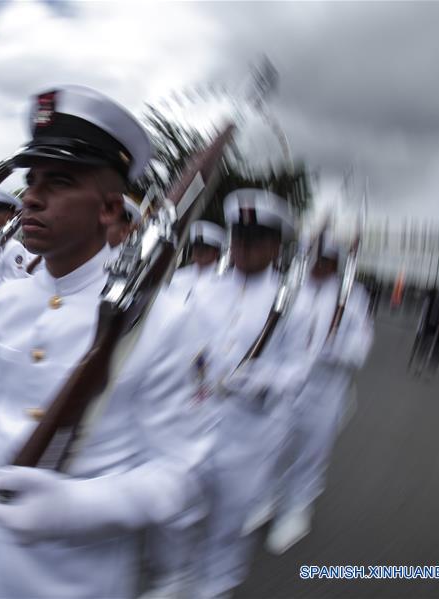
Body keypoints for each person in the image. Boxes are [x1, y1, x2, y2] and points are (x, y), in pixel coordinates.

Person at [0, 85, 212, 598]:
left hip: (74, 578)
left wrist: (78, 508)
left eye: (58, 182)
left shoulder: (165, 321)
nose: (31, 196)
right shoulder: (9, 300)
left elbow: (181, 476)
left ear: (108, 209)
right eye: (32, 179)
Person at [184, 188, 313, 598]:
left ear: (275, 246)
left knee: (228, 519)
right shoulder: (207, 289)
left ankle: (217, 584)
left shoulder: (293, 302)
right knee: (184, 510)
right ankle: (183, 577)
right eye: (238, 237)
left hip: (251, 429)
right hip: (196, 419)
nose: (243, 247)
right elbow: (187, 347)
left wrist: (262, 379)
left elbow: (299, 369)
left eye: (255, 239)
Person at [265, 237, 374, 554]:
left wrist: (335, 348)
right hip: (286, 387)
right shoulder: (293, 288)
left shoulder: (352, 297)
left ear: (336, 264)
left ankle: (297, 509)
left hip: (325, 390)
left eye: (327, 260)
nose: (320, 265)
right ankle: (269, 498)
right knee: (274, 444)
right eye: (316, 258)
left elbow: (362, 344)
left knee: (310, 451)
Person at [170, 219, 225, 302]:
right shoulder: (178, 276)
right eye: (196, 246)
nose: (199, 251)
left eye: (204, 248)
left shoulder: (222, 280)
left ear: (216, 252)